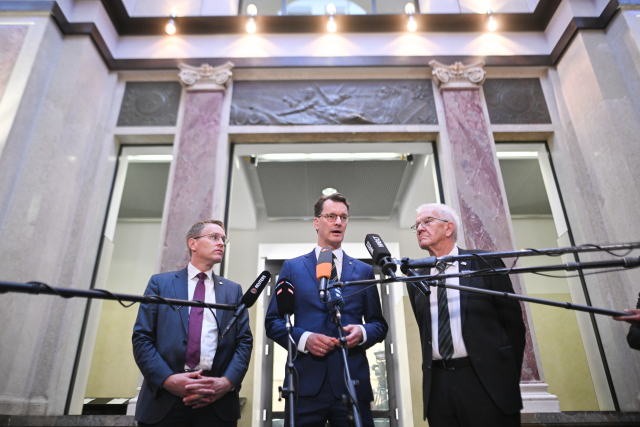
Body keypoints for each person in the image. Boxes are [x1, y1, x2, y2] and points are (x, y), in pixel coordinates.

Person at [265, 193, 388, 427]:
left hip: (352, 383)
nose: (338, 222)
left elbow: (379, 324)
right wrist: (305, 338)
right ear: (316, 222)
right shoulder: (292, 267)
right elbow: (273, 322)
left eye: (343, 217)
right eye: (331, 216)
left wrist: (362, 333)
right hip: (306, 385)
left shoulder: (363, 271)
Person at [406, 203, 526, 427]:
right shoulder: (416, 277)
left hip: (485, 381)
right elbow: (426, 332)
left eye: (427, 221)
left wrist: (504, 377)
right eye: (417, 226)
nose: (420, 228)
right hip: (439, 386)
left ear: (448, 228)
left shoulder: (483, 263)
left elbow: (514, 326)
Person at [132, 219, 253, 427]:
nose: (221, 243)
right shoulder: (160, 284)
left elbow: (244, 342)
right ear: (193, 243)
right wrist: (168, 380)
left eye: (224, 239)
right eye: (214, 237)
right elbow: (142, 338)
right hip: (165, 400)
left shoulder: (233, 290)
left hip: (216, 401)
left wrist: (227, 382)